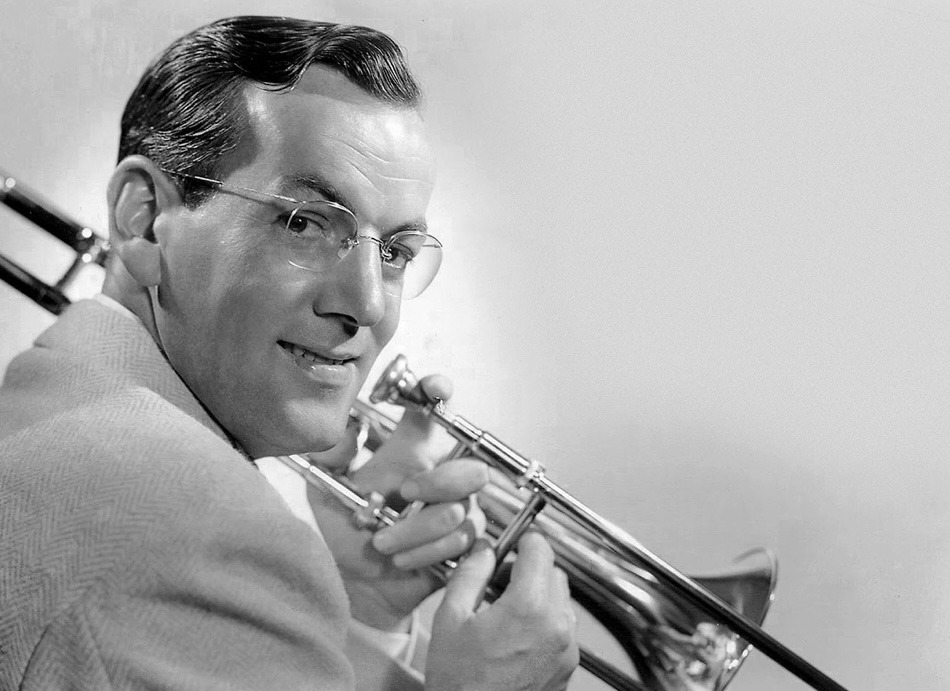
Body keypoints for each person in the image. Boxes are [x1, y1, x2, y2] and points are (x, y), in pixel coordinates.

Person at [0, 16, 579, 691]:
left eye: (395, 252)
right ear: (145, 219)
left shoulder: (46, 398)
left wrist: (360, 608)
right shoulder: (210, 531)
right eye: (304, 223)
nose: (367, 303)